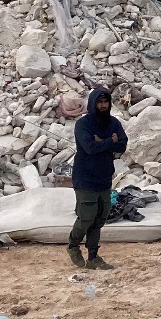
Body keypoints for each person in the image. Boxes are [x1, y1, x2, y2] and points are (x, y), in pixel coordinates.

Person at [68, 88, 127, 270]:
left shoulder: (113, 122)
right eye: (99, 102)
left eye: (105, 102)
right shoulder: (83, 124)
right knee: (86, 217)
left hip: (104, 177)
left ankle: (93, 256)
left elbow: (123, 144)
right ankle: (73, 245)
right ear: (93, 103)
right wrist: (110, 141)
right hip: (85, 177)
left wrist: (102, 141)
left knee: (100, 218)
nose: (103, 106)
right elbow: (90, 148)